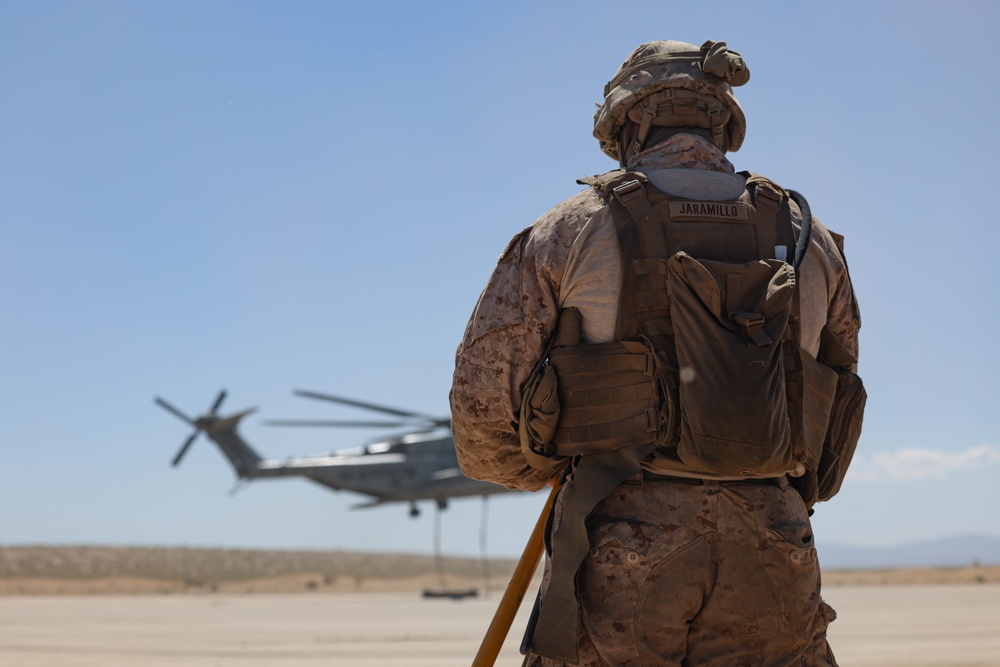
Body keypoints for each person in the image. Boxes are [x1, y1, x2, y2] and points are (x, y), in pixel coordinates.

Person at [450, 39, 864, 667]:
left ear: (626, 124)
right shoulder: (814, 242)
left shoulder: (570, 229)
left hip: (620, 530)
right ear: (723, 121)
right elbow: (838, 401)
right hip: (775, 536)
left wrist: (548, 467)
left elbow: (484, 418)